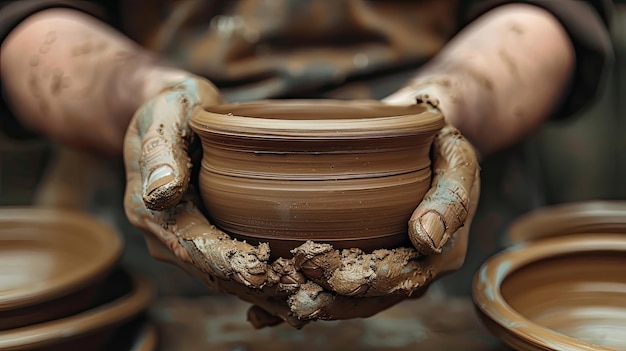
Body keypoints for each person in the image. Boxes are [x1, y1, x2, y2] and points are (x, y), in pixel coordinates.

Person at [0, 0, 613, 328]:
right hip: (153, 176)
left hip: (443, 171)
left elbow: (551, 12)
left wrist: (453, 103)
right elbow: (29, 19)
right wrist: (137, 95)